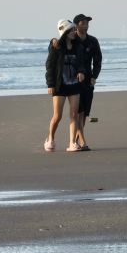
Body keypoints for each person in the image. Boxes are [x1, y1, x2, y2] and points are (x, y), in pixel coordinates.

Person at [52, 14, 102, 151]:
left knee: (84, 112)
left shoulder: (93, 41)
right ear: (75, 26)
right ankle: (81, 141)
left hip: (88, 81)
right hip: (73, 81)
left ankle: (76, 140)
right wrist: (54, 40)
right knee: (77, 112)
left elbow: (98, 60)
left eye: (87, 23)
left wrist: (94, 76)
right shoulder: (72, 41)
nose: (85, 25)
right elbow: (58, 46)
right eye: (82, 23)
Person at [44, 19, 86, 152]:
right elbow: (49, 67)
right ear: (65, 31)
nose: (75, 31)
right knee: (58, 115)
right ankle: (50, 138)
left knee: (74, 114)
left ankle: (72, 143)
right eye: (72, 30)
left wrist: (81, 72)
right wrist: (50, 84)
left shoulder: (77, 46)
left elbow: (81, 63)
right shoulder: (56, 46)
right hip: (59, 85)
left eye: (74, 29)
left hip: (74, 85)